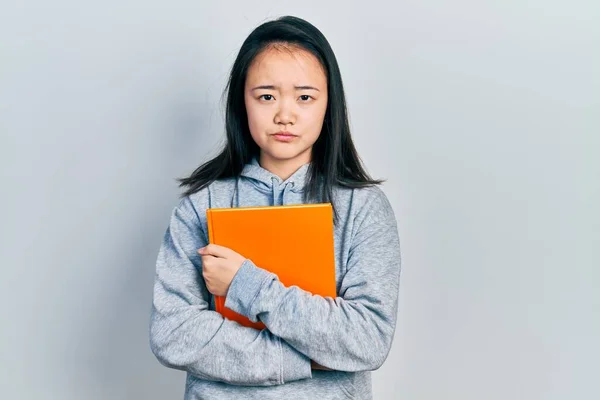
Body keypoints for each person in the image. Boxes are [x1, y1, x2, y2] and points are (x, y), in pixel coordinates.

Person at [149, 15, 401, 400]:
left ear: (328, 104)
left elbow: (367, 340)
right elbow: (173, 333)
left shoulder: (363, 208)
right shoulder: (201, 206)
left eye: (305, 97)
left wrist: (244, 285)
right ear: (242, 101)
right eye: (266, 96)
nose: (285, 114)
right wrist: (306, 359)